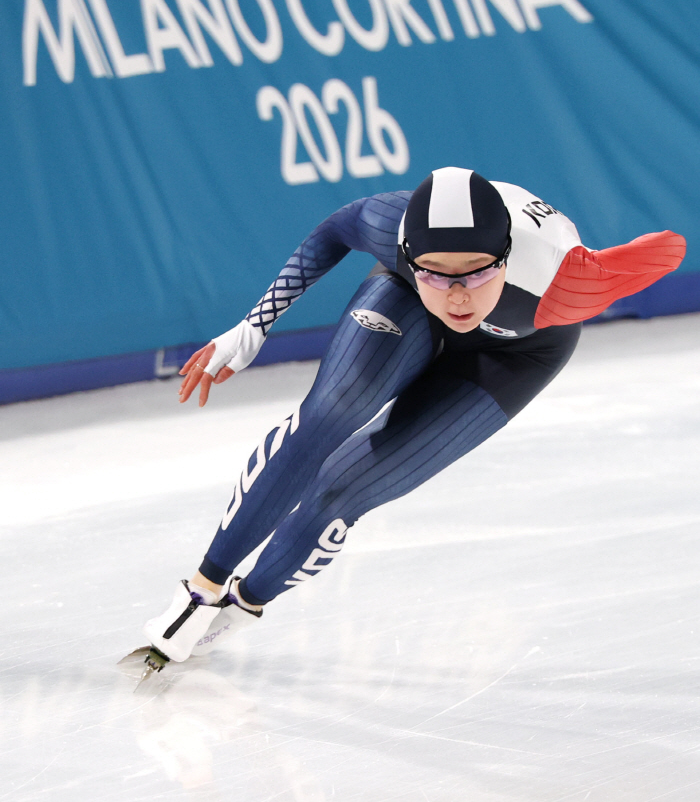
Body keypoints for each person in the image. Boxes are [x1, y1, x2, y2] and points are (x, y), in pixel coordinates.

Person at [140, 167, 685, 671]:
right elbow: (333, 230)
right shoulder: (390, 222)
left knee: (346, 488)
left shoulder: (567, 285)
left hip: (515, 353)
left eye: (474, 274)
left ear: (506, 256)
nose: (456, 296)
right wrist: (254, 326)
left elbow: (667, 248)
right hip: (405, 303)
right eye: (438, 274)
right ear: (407, 252)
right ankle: (200, 590)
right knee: (330, 414)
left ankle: (243, 606)